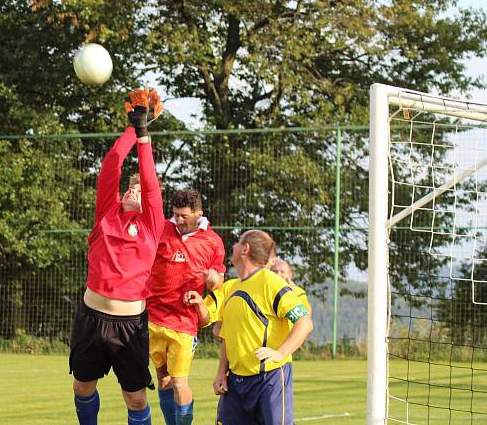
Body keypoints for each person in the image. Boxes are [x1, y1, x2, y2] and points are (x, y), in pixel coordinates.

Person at [69, 88, 165, 425]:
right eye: (130, 187)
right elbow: (112, 163)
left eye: (140, 191)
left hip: (130, 325)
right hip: (91, 318)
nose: (134, 190)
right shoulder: (105, 217)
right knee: (82, 387)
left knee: (136, 399)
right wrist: (132, 126)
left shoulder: (153, 226)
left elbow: (151, 182)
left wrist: (144, 135)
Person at [205, 230, 313, 425]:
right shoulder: (232, 287)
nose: (234, 246)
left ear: (245, 249)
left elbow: (304, 322)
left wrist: (281, 353)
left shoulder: (270, 282)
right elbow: (228, 336)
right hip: (235, 383)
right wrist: (222, 372)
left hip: (269, 380)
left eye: (238, 242)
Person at [146, 189, 224, 425]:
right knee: (163, 379)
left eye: (184, 216)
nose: (179, 220)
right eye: (176, 214)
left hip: (183, 323)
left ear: (199, 214)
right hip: (153, 317)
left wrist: (212, 280)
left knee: (179, 381)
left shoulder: (213, 242)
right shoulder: (161, 229)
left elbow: (218, 281)